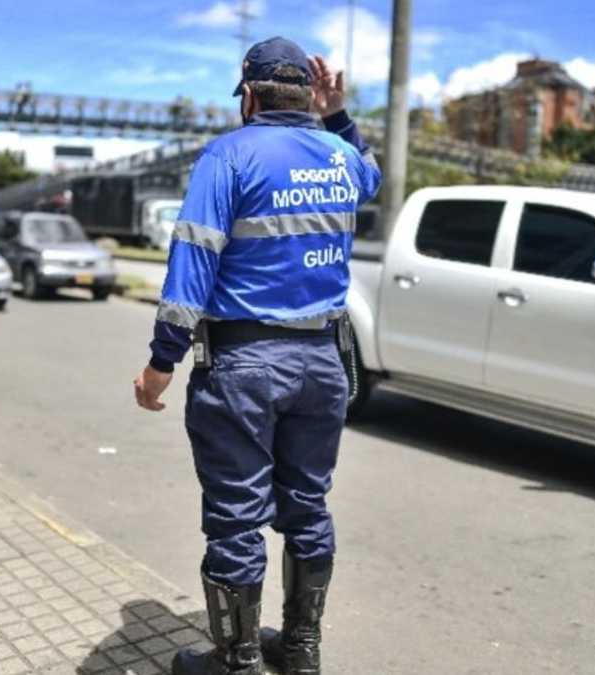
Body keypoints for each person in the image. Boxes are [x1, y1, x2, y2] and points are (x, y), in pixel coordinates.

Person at [133, 37, 381, 675]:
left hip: (243, 366)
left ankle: (236, 661)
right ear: (308, 93)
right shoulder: (340, 156)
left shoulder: (227, 156)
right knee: (307, 504)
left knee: (236, 517)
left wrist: (161, 363)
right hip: (321, 365)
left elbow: (191, 264)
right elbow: (371, 175)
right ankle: (300, 651)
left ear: (249, 95)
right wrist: (338, 115)